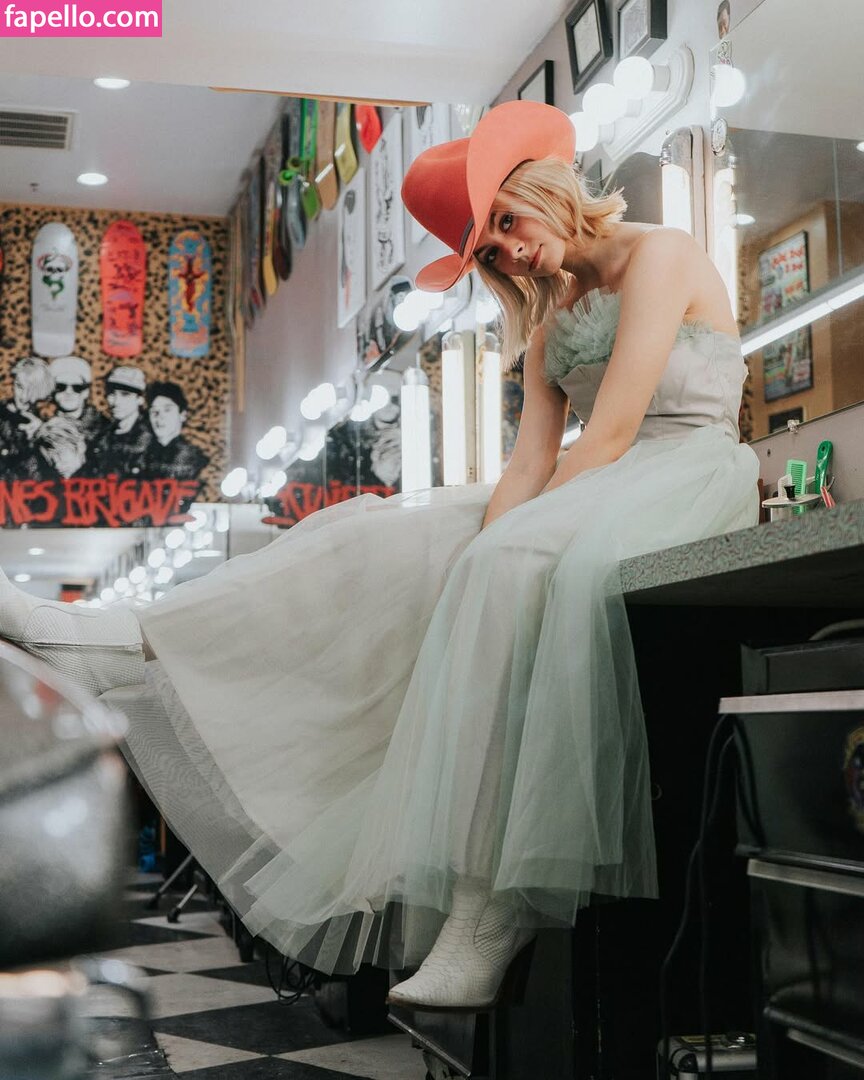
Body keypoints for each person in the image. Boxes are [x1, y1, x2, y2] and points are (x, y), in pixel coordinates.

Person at [0, 101, 759, 1010]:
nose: (507, 253)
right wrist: (482, 544)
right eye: (487, 250)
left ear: (544, 188)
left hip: (680, 471)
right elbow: (528, 464)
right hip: (601, 479)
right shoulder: (551, 324)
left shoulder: (664, 253)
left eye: (504, 225)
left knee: (504, 565)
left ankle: (490, 908)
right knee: (377, 536)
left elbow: (616, 431)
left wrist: (498, 552)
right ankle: (125, 637)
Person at [139, 381, 208, 482]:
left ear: (182, 415)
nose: (159, 417)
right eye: (154, 411)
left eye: (167, 410)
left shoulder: (195, 459)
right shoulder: (141, 457)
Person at [93, 365, 152, 476]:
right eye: (112, 394)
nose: (116, 402)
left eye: (125, 394)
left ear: (140, 399)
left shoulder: (151, 438)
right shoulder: (102, 436)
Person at [0, 356, 54, 476]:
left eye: (31, 391)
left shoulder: (47, 420)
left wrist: (40, 435)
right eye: (19, 386)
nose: (24, 397)